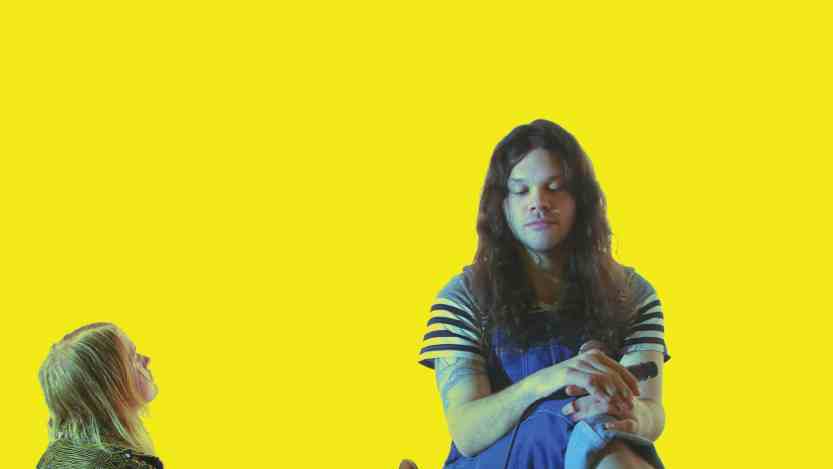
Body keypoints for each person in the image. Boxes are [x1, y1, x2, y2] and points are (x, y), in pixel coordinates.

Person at [418, 120, 669, 469]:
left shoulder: (632, 295)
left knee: (603, 434)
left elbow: (652, 411)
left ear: (580, 200)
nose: (539, 202)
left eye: (555, 188)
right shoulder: (462, 299)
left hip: (601, 443)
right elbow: (468, 433)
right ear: (502, 206)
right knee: (582, 430)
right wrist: (556, 377)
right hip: (493, 461)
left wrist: (629, 414)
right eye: (521, 191)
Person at [37, 323, 163, 469]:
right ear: (109, 385)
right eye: (132, 358)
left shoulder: (53, 456)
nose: (146, 360)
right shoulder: (122, 465)